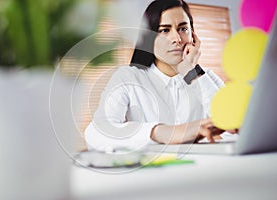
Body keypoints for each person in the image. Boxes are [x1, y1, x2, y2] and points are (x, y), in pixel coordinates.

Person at [85, 0, 235, 151]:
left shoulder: (206, 78)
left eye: (183, 28)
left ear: (193, 36)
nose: (177, 38)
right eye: (164, 30)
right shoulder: (128, 77)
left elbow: (235, 130)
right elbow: (96, 133)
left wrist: (192, 72)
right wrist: (162, 133)